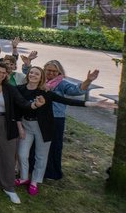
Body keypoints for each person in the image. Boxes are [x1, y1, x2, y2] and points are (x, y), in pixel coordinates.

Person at [15, 66, 114, 194]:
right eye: (31, 73)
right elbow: (16, 108)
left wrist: (94, 104)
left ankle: (34, 181)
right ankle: (24, 178)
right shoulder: (19, 89)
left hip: (44, 128)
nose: (33, 75)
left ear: (41, 78)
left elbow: (68, 101)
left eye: (37, 74)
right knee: (22, 154)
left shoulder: (46, 93)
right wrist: (19, 126)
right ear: (28, 75)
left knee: (41, 156)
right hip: (26, 126)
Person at [0, 62, 44, 204]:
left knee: (7, 153)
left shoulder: (9, 88)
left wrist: (34, 105)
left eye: (4, 72)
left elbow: (22, 103)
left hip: (6, 122)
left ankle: (8, 186)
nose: (1, 74)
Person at [43, 60, 99, 180]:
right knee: (40, 144)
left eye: (54, 71)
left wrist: (88, 80)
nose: (51, 73)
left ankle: (53, 172)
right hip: (40, 117)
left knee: (54, 145)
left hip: (56, 118)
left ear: (59, 72)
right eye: (49, 70)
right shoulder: (41, 81)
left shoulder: (61, 83)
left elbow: (76, 90)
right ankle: (39, 169)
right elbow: (28, 76)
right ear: (44, 70)